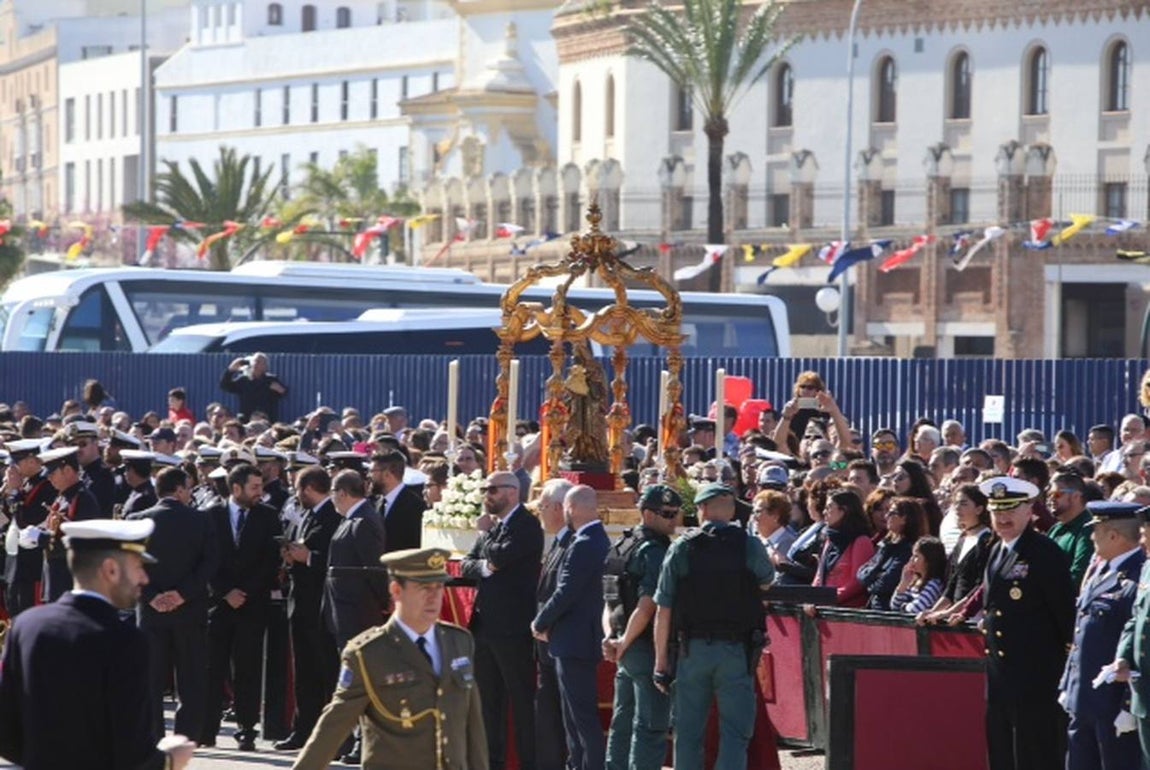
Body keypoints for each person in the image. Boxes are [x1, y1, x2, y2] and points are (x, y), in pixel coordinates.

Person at [0, 518, 196, 770]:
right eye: (138, 566)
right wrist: (169, 760)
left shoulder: (27, 626)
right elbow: (133, 752)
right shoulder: (124, 640)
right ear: (111, 570)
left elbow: (5, 731)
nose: (144, 578)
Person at [289, 547, 489, 770]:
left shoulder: (458, 641)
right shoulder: (368, 652)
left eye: (438, 587)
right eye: (423, 588)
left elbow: (473, 726)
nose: (433, 597)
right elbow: (334, 724)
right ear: (396, 590)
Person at [653, 482, 774, 770]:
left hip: (691, 651)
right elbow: (767, 580)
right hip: (736, 651)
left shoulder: (683, 547)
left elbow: (664, 608)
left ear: (701, 509)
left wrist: (660, 663)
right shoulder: (749, 544)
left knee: (688, 733)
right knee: (735, 733)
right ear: (731, 510)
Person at [979, 476, 1075, 770]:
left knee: (1035, 753)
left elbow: (1065, 616)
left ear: (1030, 509)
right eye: (997, 511)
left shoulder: (1044, 553)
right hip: (1001, 674)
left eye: (1010, 509)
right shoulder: (997, 549)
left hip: (1036, 674)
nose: (1003, 518)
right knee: (1003, 750)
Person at [127, 467, 219, 742]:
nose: (190, 494)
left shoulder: (137, 520)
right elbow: (210, 564)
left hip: (151, 613)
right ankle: (186, 736)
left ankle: (153, 735)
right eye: (188, 489)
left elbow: (128, 566)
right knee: (190, 678)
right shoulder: (201, 520)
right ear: (179, 490)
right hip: (189, 611)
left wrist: (152, 596)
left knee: (151, 679)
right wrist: (182, 594)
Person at [461, 470, 544, 770]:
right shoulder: (494, 527)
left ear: (511, 492)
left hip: (512, 628)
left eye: (492, 489)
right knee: (488, 701)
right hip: (484, 626)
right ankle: (491, 762)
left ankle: (529, 762)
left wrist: (484, 540)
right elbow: (467, 565)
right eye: (485, 489)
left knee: (521, 699)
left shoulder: (527, 525)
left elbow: (499, 558)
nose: (487, 495)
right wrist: (485, 563)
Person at [201, 463, 281, 750]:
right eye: (254, 487)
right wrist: (224, 592)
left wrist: (244, 591)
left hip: (251, 604)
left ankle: (247, 728)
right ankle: (206, 728)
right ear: (236, 489)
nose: (260, 493)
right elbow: (205, 560)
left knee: (247, 668)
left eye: (261, 486)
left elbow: (270, 561)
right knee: (212, 667)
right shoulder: (210, 516)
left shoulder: (268, 517)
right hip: (218, 605)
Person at [1059, 501, 1143, 770]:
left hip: (1112, 707)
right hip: (1083, 700)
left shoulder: (1139, 576)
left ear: (1114, 536)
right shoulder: (1099, 571)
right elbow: (1081, 631)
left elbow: (1139, 643)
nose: (1092, 536)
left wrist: (1129, 706)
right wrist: (1067, 685)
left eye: (1096, 530)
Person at [531, 485, 610, 770]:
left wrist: (539, 622)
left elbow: (566, 591)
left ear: (573, 508)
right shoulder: (592, 539)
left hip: (574, 641)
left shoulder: (585, 542)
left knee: (581, 718)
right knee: (573, 718)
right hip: (574, 639)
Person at [603, 484, 679, 770]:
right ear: (648, 514)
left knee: (623, 721)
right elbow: (648, 606)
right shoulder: (655, 551)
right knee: (651, 725)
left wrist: (613, 637)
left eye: (676, 513)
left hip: (626, 643)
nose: (674, 520)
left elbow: (609, 600)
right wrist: (621, 640)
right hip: (645, 644)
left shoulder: (623, 544)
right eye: (667, 513)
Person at [275, 465, 342, 752]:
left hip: (319, 607)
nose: (295, 494)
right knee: (304, 672)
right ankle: (303, 730)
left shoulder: (332, 516)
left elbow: (333, 558)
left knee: (325, 671)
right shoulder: (307, 515)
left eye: (297, 488)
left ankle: (330, 736)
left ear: (309, 489)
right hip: (300, 604)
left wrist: (309, 557)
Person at [27, 446, 103, 601]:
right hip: (56, 580)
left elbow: (80, 543)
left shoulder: (82, 498)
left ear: (67, 470)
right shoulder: (64, 497)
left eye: (52, 473)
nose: (49, 478)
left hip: (69, 582)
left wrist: (42, 538)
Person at [534, 479, 574, 770]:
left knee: (564, 717)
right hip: (547, 645)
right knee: (548, 714)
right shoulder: (559, 541)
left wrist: (541, 622)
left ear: (560, 508)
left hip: (559, 641)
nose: (540, 511)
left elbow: (565, 592)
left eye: (544, 506)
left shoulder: (571, 542)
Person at [1, 439, 55, 617]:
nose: (12, 469)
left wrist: (16, 493)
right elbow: (8, 519)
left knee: (28, 613)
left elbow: (29, 522)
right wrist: (8, 495)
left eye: (17, 463)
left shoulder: (47, 486)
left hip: (31, 565)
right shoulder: (26, 483)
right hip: (15, 564)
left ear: (32, 460)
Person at [857, 496, 924, 610]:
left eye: (892, 513)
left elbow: (886, 584)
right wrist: (875, 574)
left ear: (905, 519)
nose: (886, 516)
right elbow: (861, 574)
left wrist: (871, 582)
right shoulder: (885, 545)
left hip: (888, 611)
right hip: (874, 607)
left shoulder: (908, 550)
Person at [812, 489, 875, 607]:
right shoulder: (829, 540)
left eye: (829, 507)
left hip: (846, 610)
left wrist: (830, 599)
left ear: (844, 511)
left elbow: (858, 582)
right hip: (824, 607)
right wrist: (812, 598)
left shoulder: (861, 541)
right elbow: (819, 576)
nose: (824, 512)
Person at [1046, 470, 1095, 586]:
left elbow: (1078, 574)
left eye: (1057, 494)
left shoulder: (1088, 528)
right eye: (1049, 495)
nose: (1051, 499)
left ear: (1076, 496)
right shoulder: (1056, 529)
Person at [372, 449, 426, 552]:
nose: (370, 476)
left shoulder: (415, 506)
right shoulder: (376, 502)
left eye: (373, 471)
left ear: (387, 474)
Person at [219, 352, 288, 422]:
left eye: (259, 362)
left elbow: (284, 392)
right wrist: (230, 370)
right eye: (254, 361)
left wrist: (280, 390)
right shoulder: (244, 380)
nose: (255, 364)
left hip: (266, 420)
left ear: (265, 366)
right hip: (246, 419)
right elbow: (225, 386)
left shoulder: (271, 380)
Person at [889, 537, 946, 613]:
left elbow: (915, 610)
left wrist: (903, 606)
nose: (911, 560)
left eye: (916, 556)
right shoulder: (914, 581)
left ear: (929, 560)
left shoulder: (934, 584)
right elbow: (894, 606)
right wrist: (904, 583)